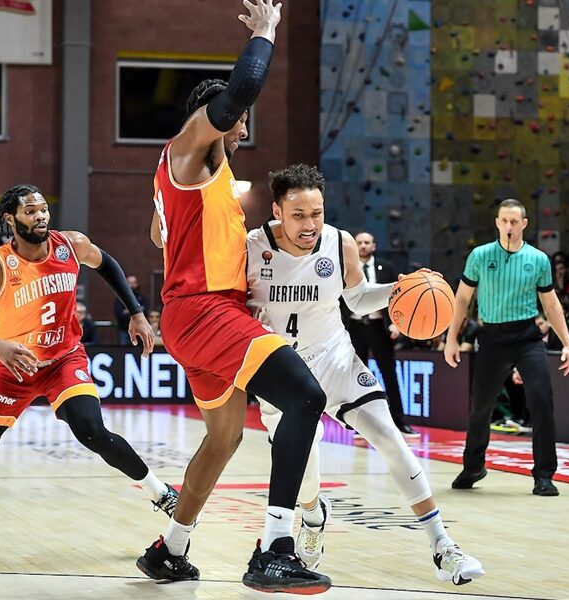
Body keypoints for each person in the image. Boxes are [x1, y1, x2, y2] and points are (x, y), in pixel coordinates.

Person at [138, 2, 331, 593]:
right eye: (237, 119)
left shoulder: (197, 177)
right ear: (212, 117)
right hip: (206, 311)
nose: (242, 126)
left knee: (224, 438)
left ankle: (170, 548)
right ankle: (275, 549)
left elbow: (159, 233)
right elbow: (241, 87)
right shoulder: (188, 148)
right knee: (305, 396)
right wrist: (266, 32)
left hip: (192, 317)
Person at [0, 183, 179, 552]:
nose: (40, 217)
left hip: (64, 360)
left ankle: (161, 493)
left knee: (91, 430)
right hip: (14, 368)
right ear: (11, 218)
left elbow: (108, 264)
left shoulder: (71, 245)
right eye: (30, 211)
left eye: (43, 210)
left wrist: (136, 314)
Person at [247, 164, 484, 584]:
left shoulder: (339, 243)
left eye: (317, 213)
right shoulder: (251, 246)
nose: (310, 224)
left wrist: (398, 290)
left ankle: (443, 545)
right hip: (282, 372)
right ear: (277, 211)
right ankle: (313, 516)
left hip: (335, 359)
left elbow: (356, 300)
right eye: (298, 215)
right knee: (305, 480)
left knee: (390, 438)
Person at [445, 199, 569, 497]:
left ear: (524, 224)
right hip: (491, 337)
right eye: (504, 221)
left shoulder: (538, 259)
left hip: (526, 337)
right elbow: (462, 298)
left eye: (514, 222)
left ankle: (544, 475)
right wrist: (451, 338)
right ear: (497, 222)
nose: (509, 226)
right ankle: (473, 466)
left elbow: (551, 304)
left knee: (541, 400)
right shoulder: (480, 256)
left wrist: (567, 343)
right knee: (481, 407)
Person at [345, 231, 417, 438]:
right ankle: (360, 425)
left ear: (374, 246)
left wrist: (396, 323)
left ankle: (399, 422)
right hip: (354, 327)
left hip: (379, 327)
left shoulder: (386, 267)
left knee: (389, 374)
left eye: (367, 242)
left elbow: (397, 298)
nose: (363, 245)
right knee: (356, 377)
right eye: (359, 242)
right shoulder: (347, 267)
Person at [113, 275, 147, 345]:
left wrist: (128, 311)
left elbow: (146, 311)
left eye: (134, 283)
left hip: (139, 330)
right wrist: (137, 311)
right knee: (124, 348)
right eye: (129, 283)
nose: (132, 285)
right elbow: (118, 314)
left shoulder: (141, 297)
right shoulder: (120, 298)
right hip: (124, 329)